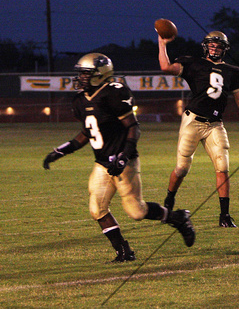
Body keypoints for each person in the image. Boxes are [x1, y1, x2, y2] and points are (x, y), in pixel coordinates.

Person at [43, 53, 195, 262]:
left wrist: (123, 157)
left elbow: (133, 128)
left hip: (124, 161)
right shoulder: (79, 100)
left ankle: (177, 218)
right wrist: (61, 150)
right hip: (102, 163)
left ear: (99, 75)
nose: (80, 78)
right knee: (97, 209)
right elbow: (87, 133)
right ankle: (124, 251)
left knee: (136, 211)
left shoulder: (114, 93)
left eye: (85, 74)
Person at [158, 31, 239, 227]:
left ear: (224, 49)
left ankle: (225, 216)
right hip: (193, 121)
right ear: (205, 46)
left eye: (218, 45)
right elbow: (165, 67)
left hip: (215, 124)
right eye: (211, 45)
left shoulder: (233, 72)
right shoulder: (193, 63)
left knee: (223, 168)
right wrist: (162, 43)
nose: (214, 48)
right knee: (181, 169)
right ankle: (168, 204)